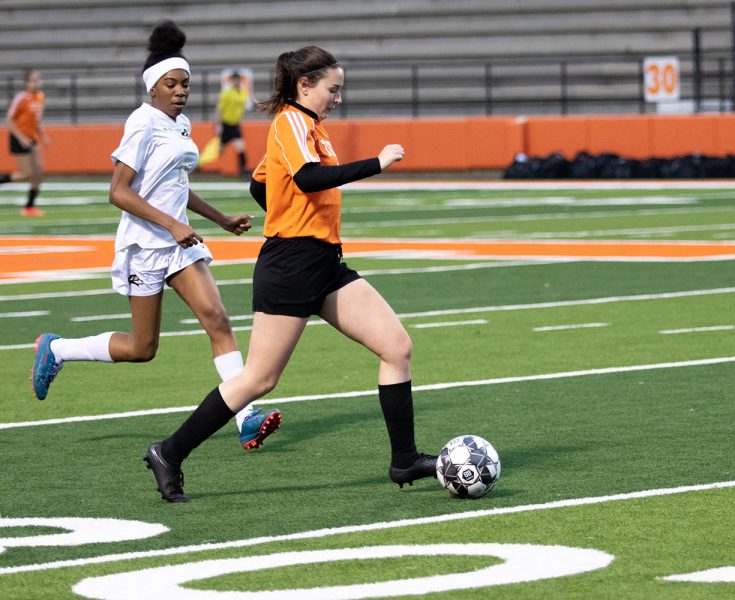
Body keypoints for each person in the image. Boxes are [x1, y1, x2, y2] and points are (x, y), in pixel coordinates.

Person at [144, 45, 436, 503]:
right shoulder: (290, 122)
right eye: (332, 89)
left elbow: (261, 183)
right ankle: (168, 452)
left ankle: (405, 460)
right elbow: (306, 179)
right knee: (259, 379)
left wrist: (287, 214)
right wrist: (377, 163)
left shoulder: (310, 127)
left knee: (396, 345)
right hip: (292, 265)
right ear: (305, 85)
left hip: (323, 262)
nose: (338, 98)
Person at [30, 20, 281, 451]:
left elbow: (176, 187)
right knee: (143, 348)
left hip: (180, 246)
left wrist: (218, 219)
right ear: (153, 88)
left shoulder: (179, 126)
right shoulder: (142, 123)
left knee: (217, 319)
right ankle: (58, 349)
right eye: (172, 84)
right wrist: (171, 223)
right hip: (145, 246)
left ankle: (245, 416)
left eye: (185, 84)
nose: (181, 91)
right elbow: (118, 191)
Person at [0, 69, 51, 216]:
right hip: (19, 137)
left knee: (39, 171)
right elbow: (8, 120)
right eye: (33, 80)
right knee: (25, 174)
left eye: (38, 79)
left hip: (32, 138)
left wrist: (43, 136)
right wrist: (21, 138)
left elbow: (36, 120)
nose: (37, 82)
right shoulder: (21, 98)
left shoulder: (40, 97)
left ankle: (29, 206)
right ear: (27, 82)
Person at [213, 70, 250, 178]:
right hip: (226, 124)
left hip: (235, 125)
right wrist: (218, 125)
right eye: (235, 80)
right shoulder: (227, 93)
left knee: (241, 148)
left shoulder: (243, 92)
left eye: (238, 80)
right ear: (231, 81)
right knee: (219, 150)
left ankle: (243, 171)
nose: (237, 82)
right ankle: (200, 164)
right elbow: (219, 109)